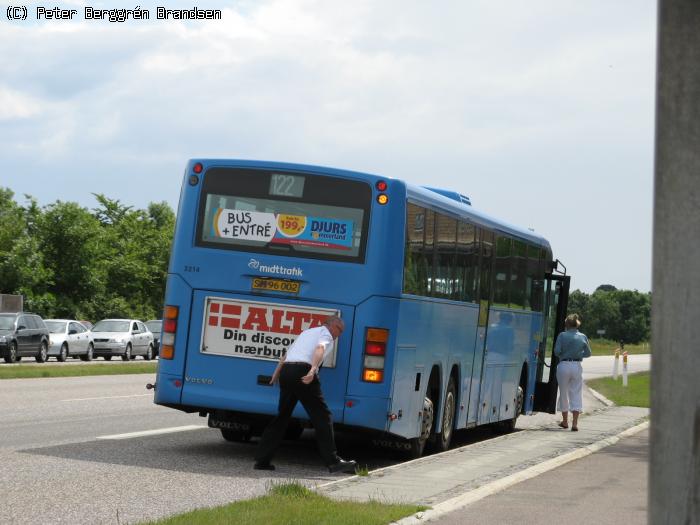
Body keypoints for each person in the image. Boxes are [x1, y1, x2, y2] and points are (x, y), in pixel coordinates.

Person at [253, 315, 357, 473]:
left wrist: (276, 374)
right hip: (303, 372)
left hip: (287, 372)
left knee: (282, 416)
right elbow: (320, 348)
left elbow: (286, 356)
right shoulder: (325, 333)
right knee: (323, 416)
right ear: (330, 325)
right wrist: (313, 369)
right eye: (339, 330)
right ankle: (333, 461)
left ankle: (262, 460)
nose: (339, 335)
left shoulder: (306, 333)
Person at [554, 313, 592, 432]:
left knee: (564, 392)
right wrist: (577, 354)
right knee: (576, 392)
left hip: (564, 365)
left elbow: (556, 351)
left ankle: (565, 421)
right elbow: (588, 353)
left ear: (567, 324)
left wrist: (564, 354)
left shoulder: (562, 335)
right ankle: (575, 423)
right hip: (576, 365)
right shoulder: (583, 336)